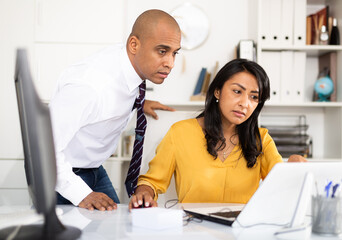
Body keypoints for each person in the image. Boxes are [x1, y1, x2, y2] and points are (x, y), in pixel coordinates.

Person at [129, 58, 306, 209]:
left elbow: (281, 186)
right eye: (237, 91)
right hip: (193, 230)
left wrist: (292, 168)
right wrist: (144, 193)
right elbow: (152, 181)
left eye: (254, 97)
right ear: (217, 91)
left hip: (241, 232)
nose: (245, 103)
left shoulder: (261, 140)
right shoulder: (180, 132)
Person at [49, 9, 181, 211]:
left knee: (119, 227)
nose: (170, 63)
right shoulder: (89, 86)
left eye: (174, 53)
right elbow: (45, 149)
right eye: (162, 51)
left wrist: (139, 102)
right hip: (61, 173)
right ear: (134, 45)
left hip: (94, 169)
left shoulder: (129, 65)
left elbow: (115, 92)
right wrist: (80, 194)